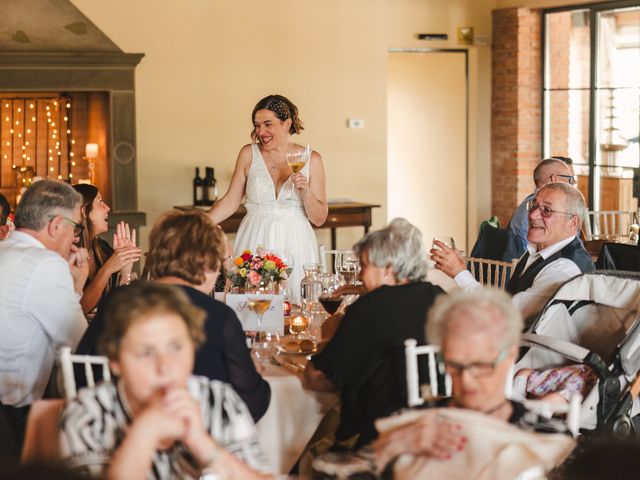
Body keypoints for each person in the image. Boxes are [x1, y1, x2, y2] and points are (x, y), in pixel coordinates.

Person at [59, 282, 271, 479]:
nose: (165, 366)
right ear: (115, 361)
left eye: (176, 347)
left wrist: (203, 445)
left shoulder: (219, 400)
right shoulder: (87, 415)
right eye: (146, 352)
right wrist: (144, 434)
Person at [75, 209, 271, 421]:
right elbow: (251, 404)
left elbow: (82, 374)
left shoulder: (117, 301)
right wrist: (257, 375)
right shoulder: (220, 316)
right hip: (194, 436)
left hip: (117, 430)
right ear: (209, 263)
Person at [304, 218, 445, 448]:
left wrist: (328, 335)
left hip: (378, 439)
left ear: (388, 269)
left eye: (364, 266)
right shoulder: (440, 298)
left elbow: (319, 381)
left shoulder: (369, 308)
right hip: (436, 432)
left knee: (307, 453)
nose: (359, 275)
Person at [372, 288, 536, 471]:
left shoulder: (544, 436)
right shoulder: (413, 425)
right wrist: (384, 450)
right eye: (454, 365)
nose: (465, 380)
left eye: (479, 365)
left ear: (510, 356)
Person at [208, 94, 328, 304]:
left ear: (287, 123)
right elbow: (230, 201)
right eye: (257, 125)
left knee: (297, 308)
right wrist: (198, 223)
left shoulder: (312, 159)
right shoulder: (248, 154)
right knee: (249, 305)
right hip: (255, 237)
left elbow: (319, 218)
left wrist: (305, 191)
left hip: (296, 242)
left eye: (267, 124)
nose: (260, 132)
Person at [0, 180, 88, 448]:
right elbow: (81, 342)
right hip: (11, 420)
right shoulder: (45, 264)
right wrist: (76, 287)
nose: (75, 238)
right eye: (76, 228)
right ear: (56, 225)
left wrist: (75, 288)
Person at [433, 182, 594, 324]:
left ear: (572, 223)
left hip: (536, 356)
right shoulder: (536, 250)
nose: (532, 215)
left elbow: (503, 315)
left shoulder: (563, 269)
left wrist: (460, 273)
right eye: (534, 205)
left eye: (547, 210)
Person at [73, 184, 141, 314]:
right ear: (84, 211)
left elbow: (120, 303)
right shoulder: (69, 254)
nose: (107, 208)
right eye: (100, 202)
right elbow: (77, 311)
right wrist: (107, 269)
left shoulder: (102, 248)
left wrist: (125, 269)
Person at [503, 158, 575, 261]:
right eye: (569, 178)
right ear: (554, 178)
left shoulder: (533, 201)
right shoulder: (539, 207)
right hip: (527, 269)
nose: (572, 182)